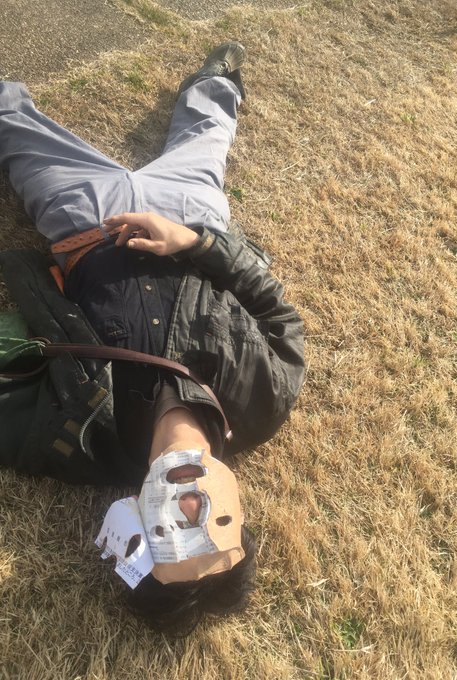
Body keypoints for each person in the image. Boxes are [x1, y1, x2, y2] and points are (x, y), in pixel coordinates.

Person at [0, 42, 304, 634]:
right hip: (192, 215)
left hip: (85, 220)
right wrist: (196, 242)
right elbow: (278, 314)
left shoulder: (77, 440)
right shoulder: (263, 402)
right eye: (212, 523)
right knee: (208, 132)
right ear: (237, 508)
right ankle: (217, 82)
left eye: (171, 532)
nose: (190, 505)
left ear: (132, 525)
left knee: (8, 121)